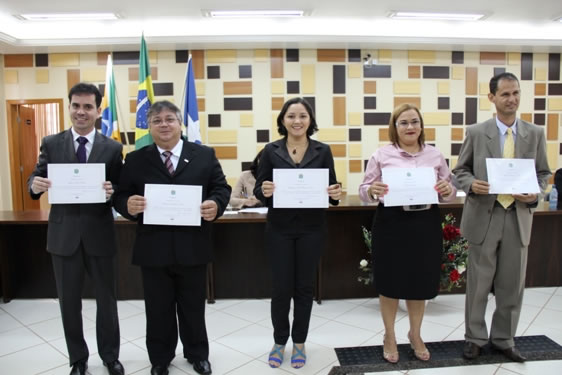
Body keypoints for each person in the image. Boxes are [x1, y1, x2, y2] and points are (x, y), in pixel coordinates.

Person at [113, 100, 231, 375]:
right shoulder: (136, 159)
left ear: (180, 124)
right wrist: (126, 204)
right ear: (150, 127)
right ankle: (160, 358)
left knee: (192, 306)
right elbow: (120, 194)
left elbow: (221, 188)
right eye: (157, 120)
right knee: (158, 308)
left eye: (169, 119)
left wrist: (216, 204)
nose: (164, 125)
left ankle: (197, 354)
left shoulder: (204, 154)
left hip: (193, 246)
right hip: (153, 247)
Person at [453, 72, 551, 362]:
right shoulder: (476, 132)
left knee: (512, 285)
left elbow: (544, 174)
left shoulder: (534, 133)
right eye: (505, 94)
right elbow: (460, 171)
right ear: (492, 97)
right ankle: (474, 338)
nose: (512, 99)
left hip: (518, 217)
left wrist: (535, 194)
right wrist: (471, 184)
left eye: (516, 93)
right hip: (485, 216)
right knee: (479, 285)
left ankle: (504, 339)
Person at [27, 83, 124, 375]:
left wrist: (113, 190)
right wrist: (35, 184)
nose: (81, 112)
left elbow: (121, 187)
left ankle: (110, 356)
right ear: (69, 107)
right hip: (63, 235)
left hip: (100, 234)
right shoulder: (51, 142)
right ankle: (77, 359)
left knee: (106, 300)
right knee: (69, 302)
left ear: (97, 110)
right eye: (76, 106)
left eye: (88, 107)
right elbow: (37, 175)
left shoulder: (113, 147)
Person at [358, 103, 456, 364]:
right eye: (404, 122)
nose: (410, 127)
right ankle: (389, 336)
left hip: (424, 222)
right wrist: (371, 190)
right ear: (395, 127)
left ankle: (416, 334)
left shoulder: (435, 155)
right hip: (392, 222)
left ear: (421, 125)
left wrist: (447, 190)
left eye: (414, 121)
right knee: (390, 282)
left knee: (419, 281)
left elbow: (448, 191)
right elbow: (364, 190)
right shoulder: (381, 155)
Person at [254, 97, 342, 369]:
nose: (297, 121)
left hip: (312, 228)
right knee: (281, 289)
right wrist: (264, 191)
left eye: (302, 116)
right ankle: (280, 341)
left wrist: (335, 193)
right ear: (283, 120)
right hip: (279, 228)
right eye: (291, 116)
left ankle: (300, 342)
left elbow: (332, 187)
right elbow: (259, 189)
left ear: (310, 120)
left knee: (305, 288)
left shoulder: (322, 150)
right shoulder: (270, 150)